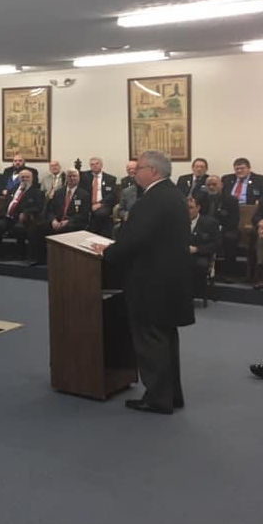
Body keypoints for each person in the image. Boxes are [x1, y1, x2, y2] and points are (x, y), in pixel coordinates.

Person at [92, 150, 193, 415]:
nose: (135, 172)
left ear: (155, 171)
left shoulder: (154, 199)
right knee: (166, 338)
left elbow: (134, 239)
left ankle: (158, 399)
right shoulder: (172, 194)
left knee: (150, 340)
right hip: (168, 279)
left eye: (140, 168)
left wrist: (107, 253)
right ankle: (172, 395)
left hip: (151, 282)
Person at [30, 169, 91, 266]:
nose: (72, 178)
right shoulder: (58, 193)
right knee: (39, 228)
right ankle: (41, 260)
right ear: (66, 178)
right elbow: (50, 210)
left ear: (78, 178)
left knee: (66, 229)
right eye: (70, 176)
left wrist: (68, 221)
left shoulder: (84, 194)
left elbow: (84, 214)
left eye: (74, 176)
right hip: (57, 221)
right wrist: (53, 220)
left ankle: (63, 262)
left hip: (74, 223)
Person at [0, 169, 45, 259]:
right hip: (7, 217)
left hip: (22, 218)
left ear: (32, 179)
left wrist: (25, 212)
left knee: (19, 228)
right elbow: (6, 203)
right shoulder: (13, 189)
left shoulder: (37, 192)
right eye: (23, 177)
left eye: (27, 177)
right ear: (19, 178)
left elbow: (38, 207)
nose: (25, 179)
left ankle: (21, 254)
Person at [186, 196, 220, 300]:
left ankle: (193, 294)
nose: (188, 210)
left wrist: (197, 249)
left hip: (201, 255)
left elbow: (216, 244)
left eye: (191, 207)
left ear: (198, 208)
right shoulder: (178, 222)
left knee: (197, 265)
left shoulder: (210, 223)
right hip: (181, 254)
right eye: (185, 208)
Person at [80, 157, 118, 238]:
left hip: (103, 204)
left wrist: (100, 204)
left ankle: (96, 236)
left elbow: (112, 195)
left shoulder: (110, 178)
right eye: (92, 164)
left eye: (97, 163)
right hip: (88, 204)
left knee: (101, 213)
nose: (94, 166)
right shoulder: (84, 176)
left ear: (101, 165)